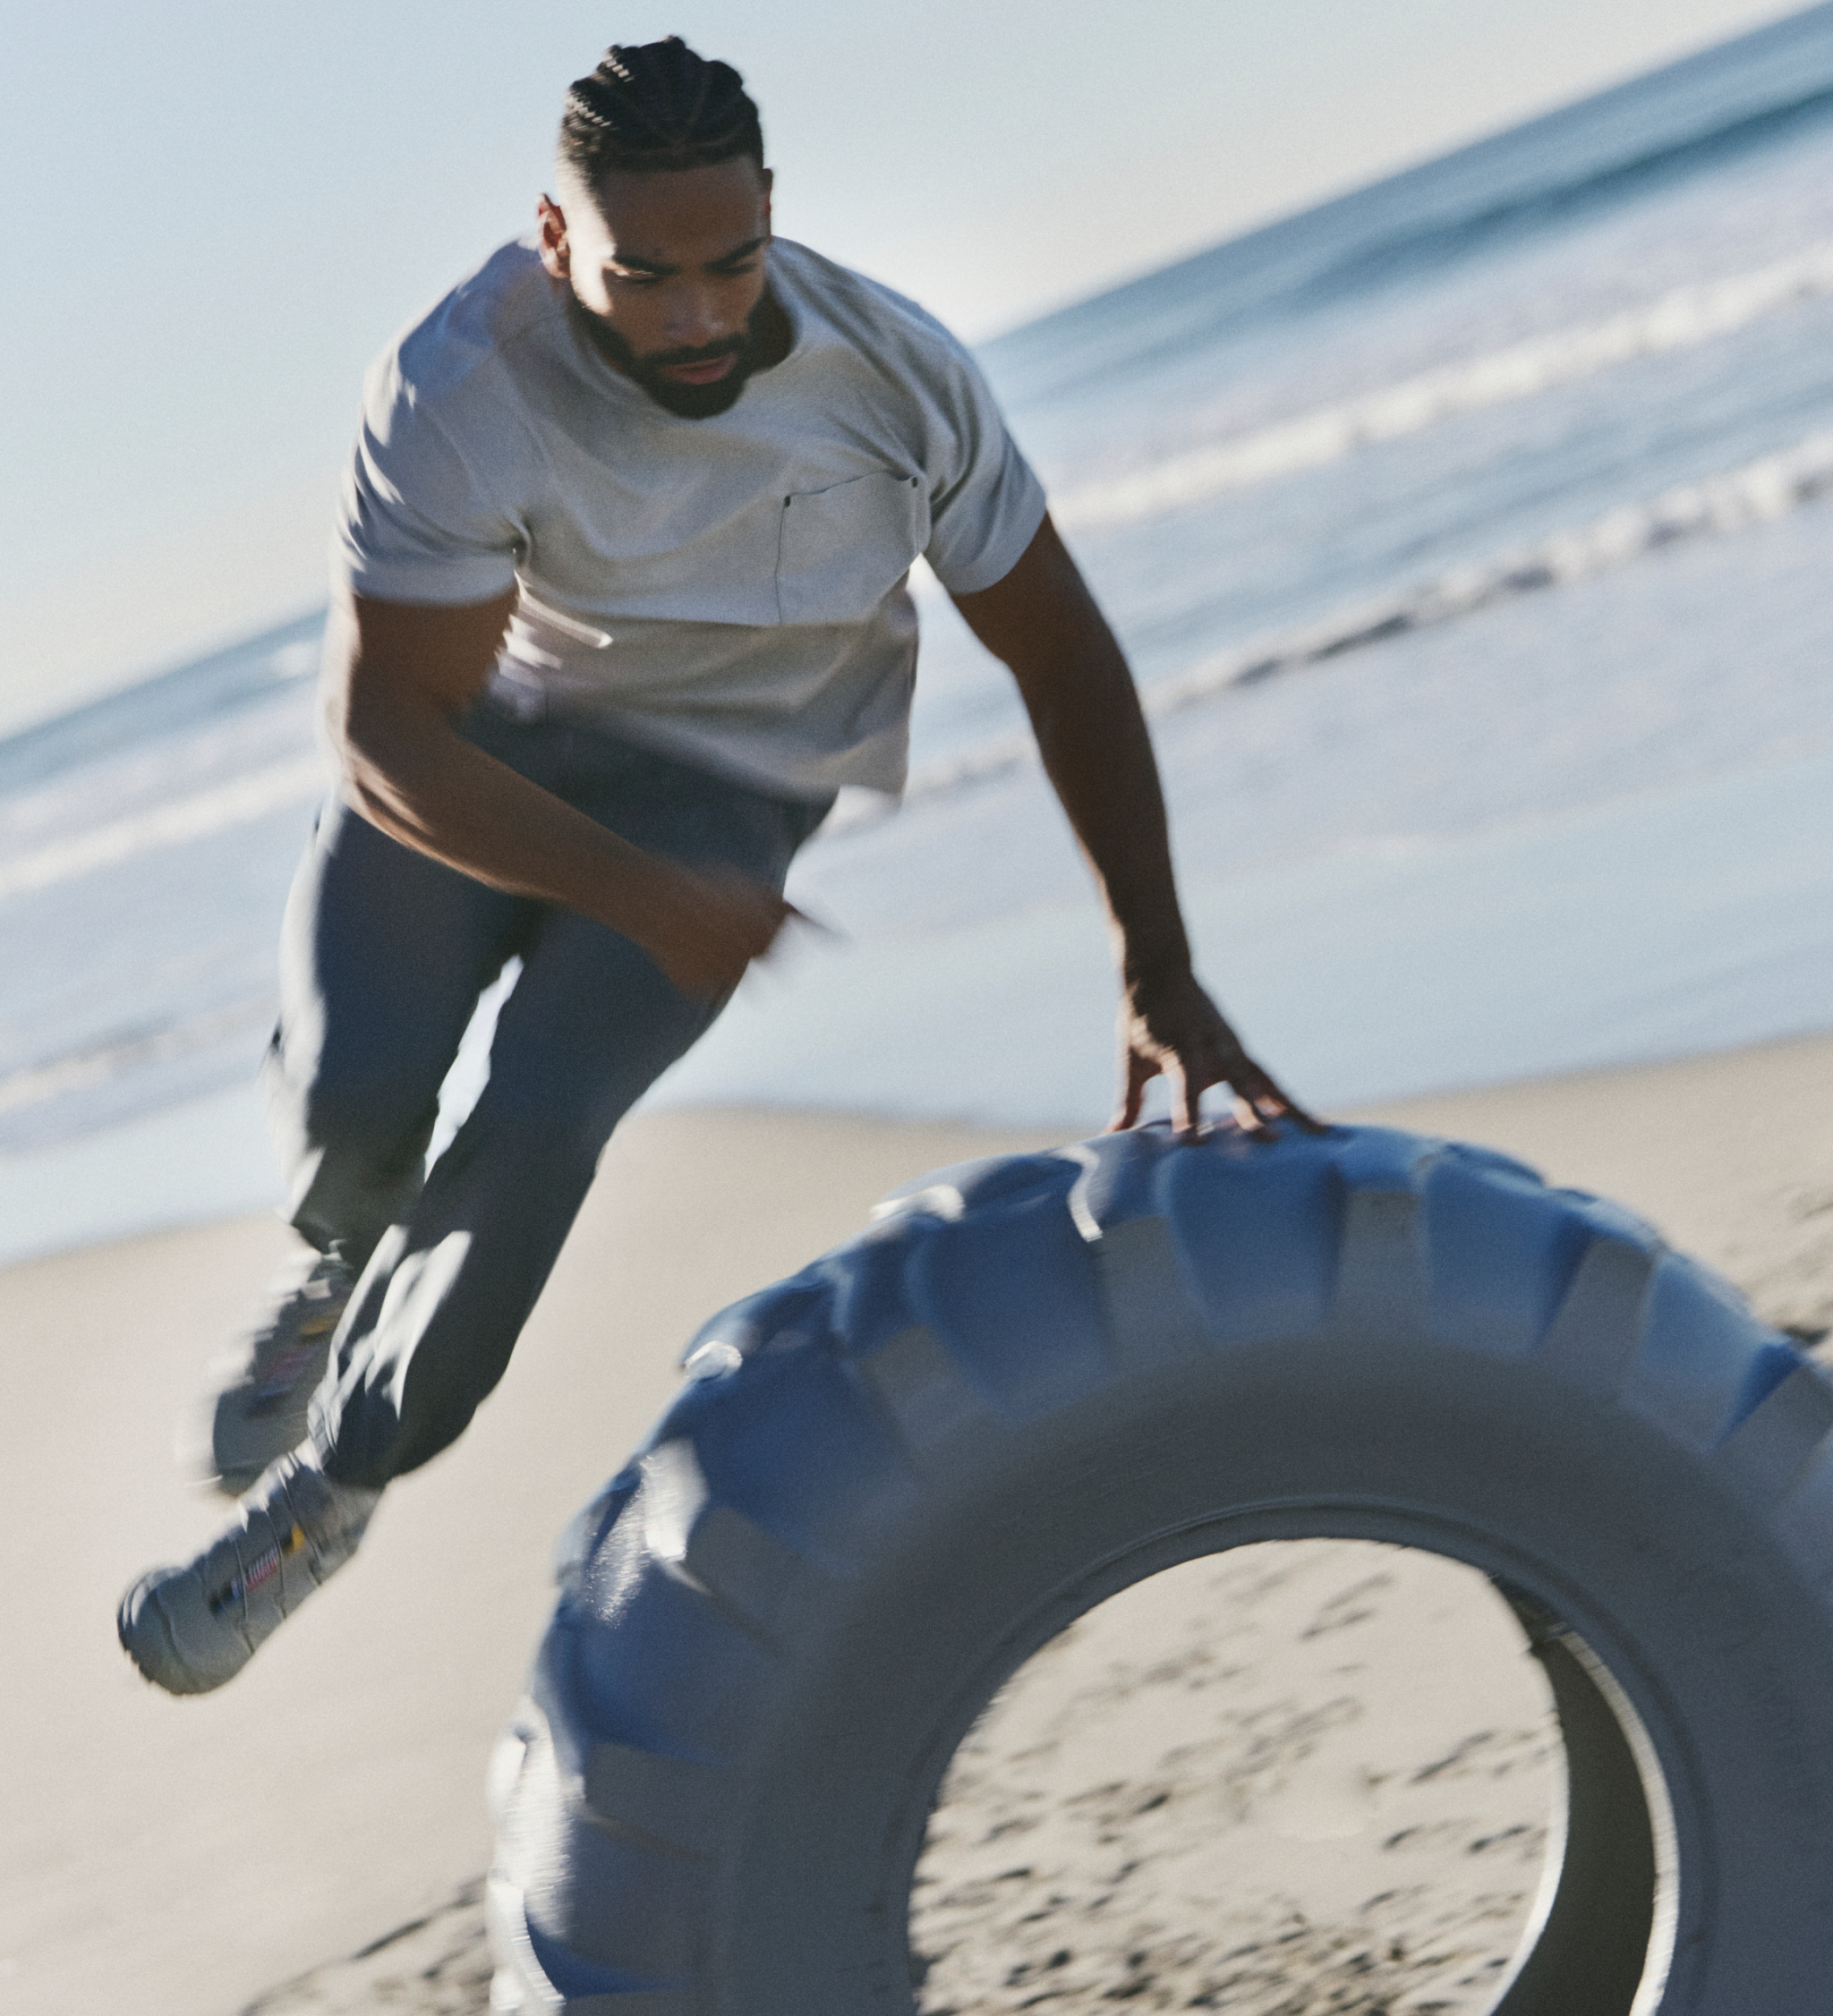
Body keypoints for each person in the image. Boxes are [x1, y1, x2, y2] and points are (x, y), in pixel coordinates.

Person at [116, 35, 1314, 1698]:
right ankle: (334, 1257)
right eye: (642, 276)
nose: (695, 317)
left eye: (731, 264)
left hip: (727, 793)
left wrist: (1157, 966)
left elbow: (1066, 655)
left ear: (773, 217)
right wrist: (624, 892)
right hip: (490, 750)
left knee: (542, 1109)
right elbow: (389, 733)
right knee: (357, 1088)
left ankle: (334, 1493)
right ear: (557, 243)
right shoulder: (463, 383)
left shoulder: (897, 379)